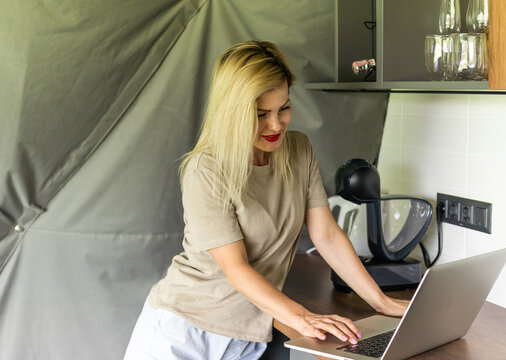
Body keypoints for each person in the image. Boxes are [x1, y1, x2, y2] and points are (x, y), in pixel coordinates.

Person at [123, 40, 409, 360]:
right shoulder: (206, 168)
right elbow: (236, 269)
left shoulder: (299, 150)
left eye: (284, 108)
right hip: (185, 333)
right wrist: (302, 317)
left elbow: (326, 234)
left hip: (247, 337)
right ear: (232, 112)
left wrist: (380, 302)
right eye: (261, 114)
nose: (276, 126)